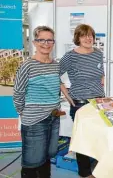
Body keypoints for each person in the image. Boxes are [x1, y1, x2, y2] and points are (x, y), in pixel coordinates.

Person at [13, 26, 65, 178]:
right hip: (35, 120)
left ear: (53, 43)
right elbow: (18, 93)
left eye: (49, 40)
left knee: (47, 158)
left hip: (54, 117)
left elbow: (56, 88)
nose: (46, 43)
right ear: (35, 42)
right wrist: (25, 113)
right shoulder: (27, 65)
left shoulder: (55, 65)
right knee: (32, 162)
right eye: (41, 39)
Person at [60, 24, 105, 178]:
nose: (88, 38)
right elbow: (55, 74)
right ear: (78, 38)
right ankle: (85, 173)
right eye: (84, 35)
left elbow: (100, 74)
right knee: (83, 138)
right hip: (80, 103)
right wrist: (67, 94)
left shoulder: (98, 53)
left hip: (99, 102)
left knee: (100, 137)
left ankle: (100, 170)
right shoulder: (70, 56)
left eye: (90, 35)